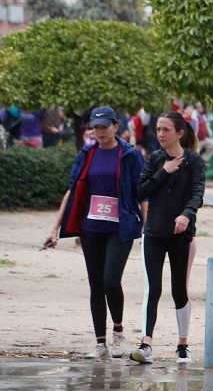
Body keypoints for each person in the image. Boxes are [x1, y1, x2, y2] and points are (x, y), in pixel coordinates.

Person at [43, 107, 145, 359]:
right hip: (90, 228)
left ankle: (118, 332)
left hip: (120, 227)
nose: (99, 131)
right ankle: (100, 344)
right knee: (96, 284)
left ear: (115, 126)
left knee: (111, 279)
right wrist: (56, 227)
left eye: (104, 126)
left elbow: (142, 191)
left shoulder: (129, 155)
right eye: (95, 127)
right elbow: (72, 190)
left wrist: (147, 224)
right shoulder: (87, 153)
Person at [132, 112, 206, 365]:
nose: (161, 134)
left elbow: (197, 193)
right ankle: (146, 343)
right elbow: (141, 190)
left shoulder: (194, 161)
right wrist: (163, 171)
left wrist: (186, 215)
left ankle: (183, 345)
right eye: (158, 129)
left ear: (180, 133)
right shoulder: (154, 159)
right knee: (152, 288)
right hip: (153, 232)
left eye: (166, 129)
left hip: (181, 235)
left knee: (178, 289)